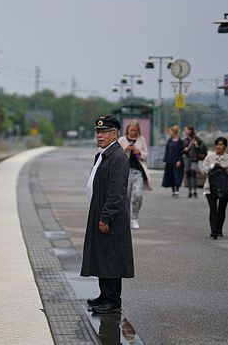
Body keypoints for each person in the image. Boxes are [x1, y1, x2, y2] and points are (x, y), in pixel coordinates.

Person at [82, 115, 134, 315]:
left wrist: (106, 217)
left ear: (115, 134)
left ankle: (113, 300)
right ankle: (104, 295)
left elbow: (116, 191)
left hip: (111, 216)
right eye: (98, 132)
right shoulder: (104, 154)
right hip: (100, 211)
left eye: (104, 132)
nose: (99, 135)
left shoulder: (117, 157)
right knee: (103, 256)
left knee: (111, 257)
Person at [200, 137, 228, 239]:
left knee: (221, 209)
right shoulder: (209, 158)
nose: (219, 146)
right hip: (210, 187)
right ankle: (214, 231)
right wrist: (211, 166)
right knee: (213, 209)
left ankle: (219, 229)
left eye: (221, 144)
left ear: (225, 146)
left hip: (224, 188)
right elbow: (202, 171)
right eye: (217, 144)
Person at [118, 120, 151, 230]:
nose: (133, 132)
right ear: (127, 129)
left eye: (135, 130)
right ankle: (125, 219)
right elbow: (116, 155)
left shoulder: (141, 140)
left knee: (137, 195)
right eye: (131, 130)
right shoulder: (122, 140)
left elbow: (146, 155)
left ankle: (135, 218)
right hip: (125, 172)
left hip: (138, 172)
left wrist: (139, 152)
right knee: (125, 197)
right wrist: (125, 149)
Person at [182, 125, 207, 198]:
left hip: (194, 159)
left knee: (193, 173)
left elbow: (204, 149)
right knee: (188, 173)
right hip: (187, 158)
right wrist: (184, 150)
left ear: (190, 130)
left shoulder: (197, 140)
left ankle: (195, 191)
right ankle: (190, 192)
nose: (185, 131)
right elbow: (181, 150)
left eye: (186, 130)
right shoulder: (185, 140)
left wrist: (197, 146)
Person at [162, 125, 184, 197]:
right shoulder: (169, 141)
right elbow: (167, 151)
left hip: (176, 161)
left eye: (170, 131)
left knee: (177, 175)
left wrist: (179, 160)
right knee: (171, 176)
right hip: (169, 160)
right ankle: (173, 190)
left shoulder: (180, 141)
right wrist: (165, 161)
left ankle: (177, 190)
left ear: (174, 132)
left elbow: (181, 151)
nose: (169, 133)